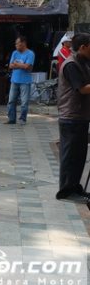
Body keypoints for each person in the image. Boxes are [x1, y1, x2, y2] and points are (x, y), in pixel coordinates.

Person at [55, 33, 90, 203]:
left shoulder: (83, 62)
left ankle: (75, 187)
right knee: (70, 156)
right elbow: (82, 89)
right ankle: (66, 191)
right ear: (83, 47)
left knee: (79, 155)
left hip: (81, 116)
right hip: (71, 116)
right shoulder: (71, 64)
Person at [6, 36, 35, 125]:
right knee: (11, 101)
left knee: (24, 102)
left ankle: (22, 119)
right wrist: (22, 65)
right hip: (14, 80)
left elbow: (28, 67)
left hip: (25, 81)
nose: (16, 45)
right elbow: (10, 66)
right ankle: (11, 119)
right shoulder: (14, 53)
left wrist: (17, 64)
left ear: (23, 43)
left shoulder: (30, 54)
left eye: (17, 43)